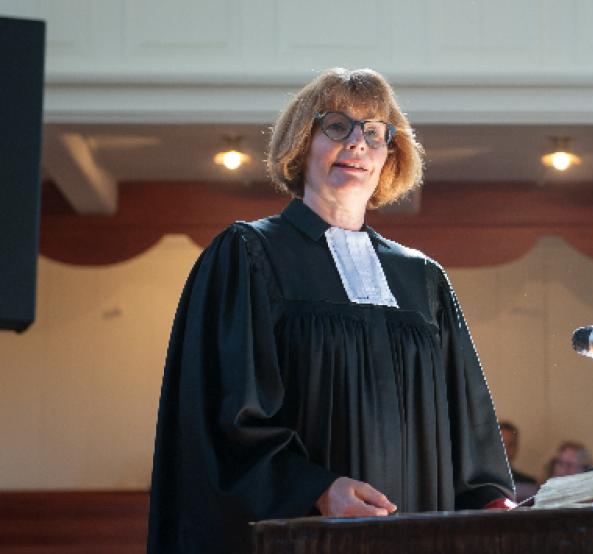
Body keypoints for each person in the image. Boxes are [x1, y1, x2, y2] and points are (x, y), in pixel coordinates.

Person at [147, 68, 514, 553]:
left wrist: (491, 502)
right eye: (337, 126)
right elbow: (222, 415)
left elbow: (469, 425)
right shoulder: (249, 254)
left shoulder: (422, 277)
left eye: (375, 132)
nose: (357, 143)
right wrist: (315, 489)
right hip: (307, 538)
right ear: (302, 143)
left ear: (389, 156)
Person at [499, 421, 539, 502]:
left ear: (516, 448)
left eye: (510, 445)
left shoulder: (529, 485)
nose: (505, 449)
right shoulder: (477, 483)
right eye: (501, 444)